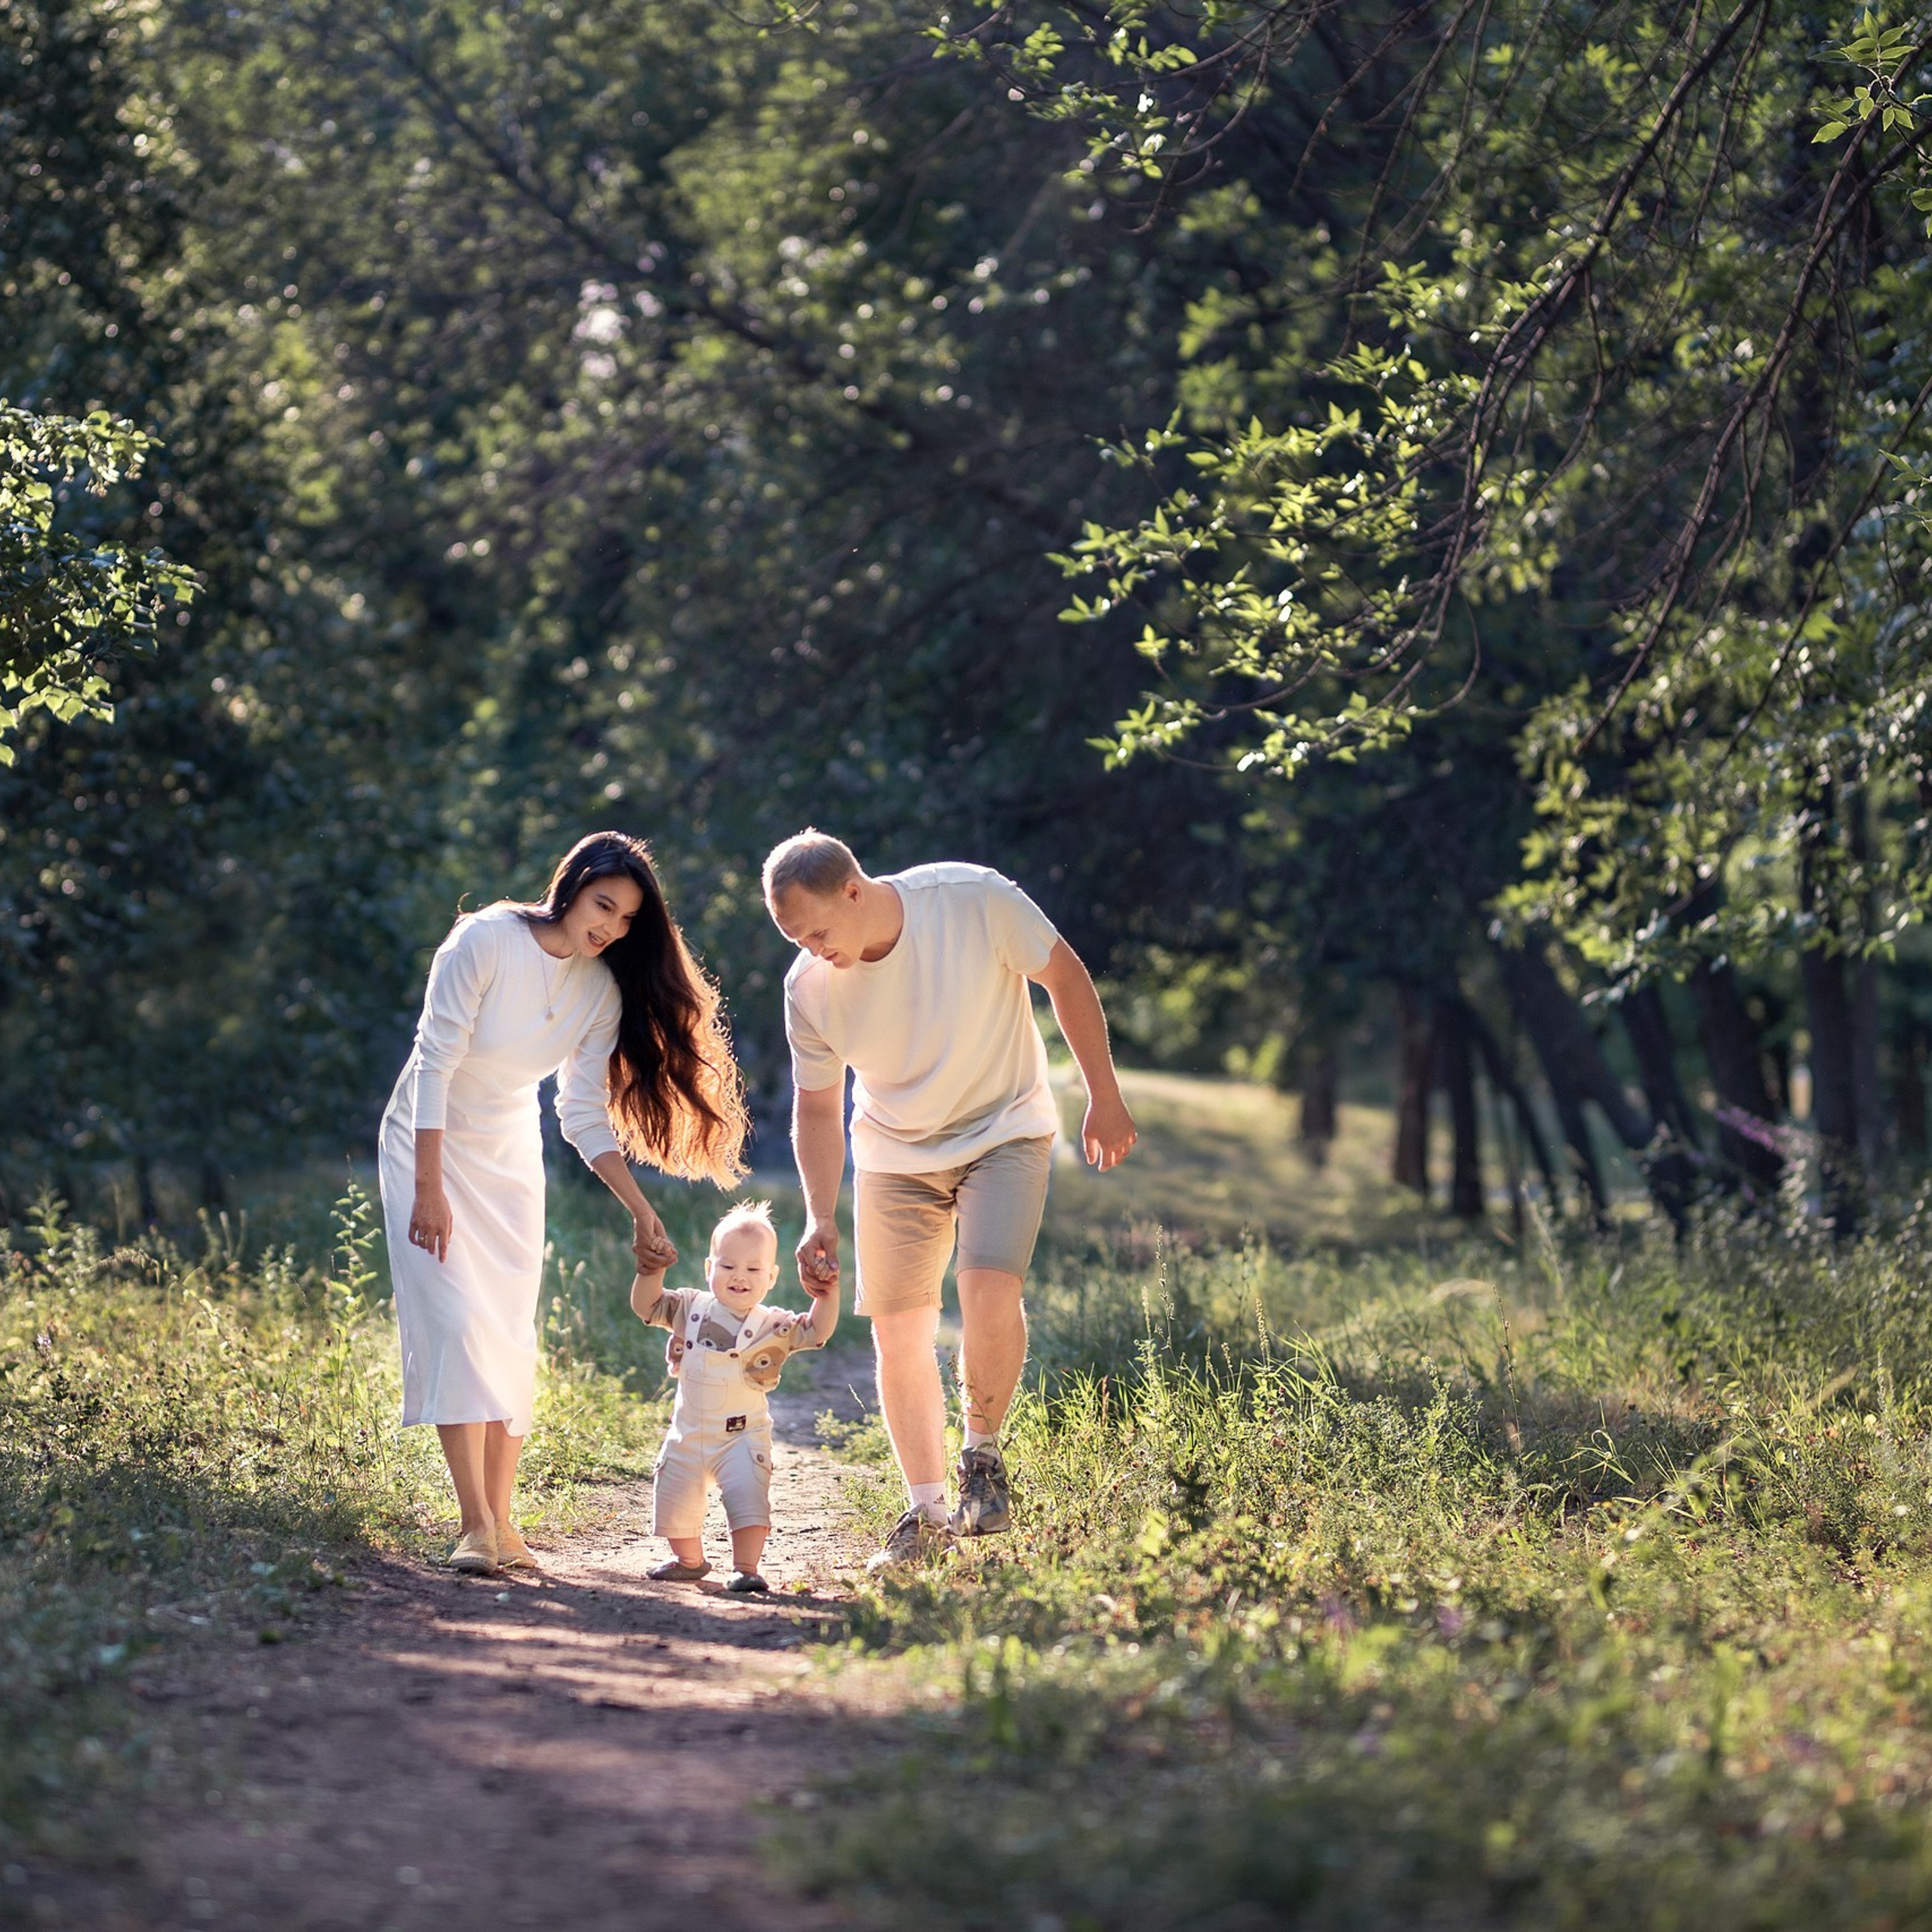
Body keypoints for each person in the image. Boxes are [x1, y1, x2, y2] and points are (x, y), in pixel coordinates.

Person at [763, 829, 1137, 1571]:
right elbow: (815, 1107)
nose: (810, 947)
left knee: (987, 1285)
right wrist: (817, 1212)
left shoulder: (972, 899)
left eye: (817, 928)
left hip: (1004, 1128)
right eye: (791, 935)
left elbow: (1065, 976)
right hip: (894, 1152)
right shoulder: (807, 987)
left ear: (853, 888)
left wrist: (1104, 1095)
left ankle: (983, 1459)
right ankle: (926, 1512)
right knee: (898, 1329)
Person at [379, 831, 748, 1575]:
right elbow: (435, 1058)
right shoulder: (483, 940)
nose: (608, 926)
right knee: (454, 1321)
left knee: (507, 1334)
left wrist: (639, 1209)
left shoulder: (599, 990)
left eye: (624, 920)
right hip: (428, 1145)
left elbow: (580, 1113)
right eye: (601, 904)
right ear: (571, 886)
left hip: (509, 1157)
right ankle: (474, 1523)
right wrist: (428, 1187)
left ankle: (505, 1525)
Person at [629, 1199, 839, 1594]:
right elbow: (646, 1305)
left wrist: (826, 1295)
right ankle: (689, 1559)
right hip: (688, 1432)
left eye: (753, 1269)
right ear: (710, 1268)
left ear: (772, 1277)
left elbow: (818, 1331)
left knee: (748, 1497)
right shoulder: (688, 1307)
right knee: (675, 1496)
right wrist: (651, 1271)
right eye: (727, 1266)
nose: (739, 1276)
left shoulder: (774, 1325)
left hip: (742, 1434)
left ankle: (747, 1566)